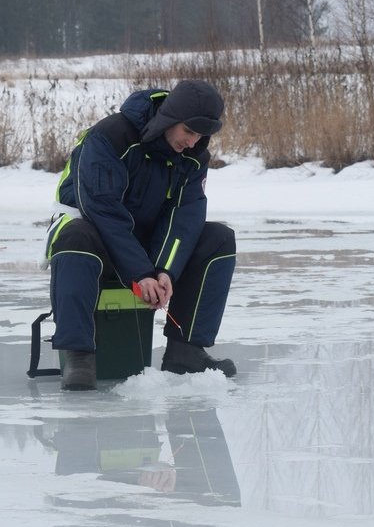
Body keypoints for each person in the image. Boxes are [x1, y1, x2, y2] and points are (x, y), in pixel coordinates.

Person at [46, 79, 236, 391]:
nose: (193, 142)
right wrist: (140, 272)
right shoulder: (110, 136)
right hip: (93, 232)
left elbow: (184, 216)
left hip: (142, 246)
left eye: (202, 135)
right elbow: (102, 210)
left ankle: (186, 351)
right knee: (75, 236)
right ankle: (79, 356)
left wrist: (164, 270)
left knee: (218, 238)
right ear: (169, 118)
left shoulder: (194, 156)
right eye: (188, 131)